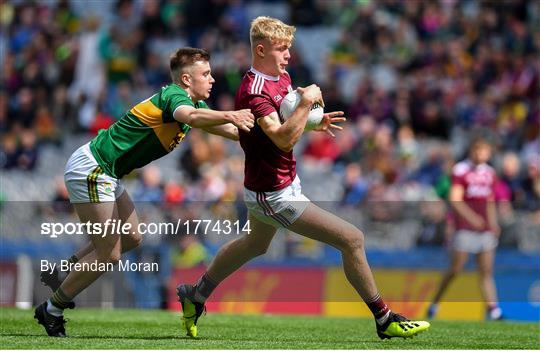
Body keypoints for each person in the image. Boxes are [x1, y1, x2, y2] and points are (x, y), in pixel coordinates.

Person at [176, 16, 430, 340]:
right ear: (261, 49)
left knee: (253, 245)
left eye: (289, 49)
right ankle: (384, 319)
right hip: (274, 193)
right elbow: (282, 138)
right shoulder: (253, 91)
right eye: (282, 49)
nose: (288, 56)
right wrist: (307, 101)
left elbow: (286, 126)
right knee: (352, 239)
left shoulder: (281, 78)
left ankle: (194, 295)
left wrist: (313, 121)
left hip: (276, 184)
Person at [35, 47, 254, 337]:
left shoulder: (192, 106)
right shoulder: (176, 98)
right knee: (109, 254)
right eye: (206, 74)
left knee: (132, 237)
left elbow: (236, 132)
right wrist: (232, 113)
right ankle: (52, 309)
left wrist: (289, 130)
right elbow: (193, 116)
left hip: (109, 173)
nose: (212, 79)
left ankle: (65, 269)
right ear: (186, 80)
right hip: (93, 168)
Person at [427, 137, 503, 320]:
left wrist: (493, 222)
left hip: (484, 229)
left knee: (486, 270)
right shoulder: (461, 170)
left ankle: (493, 309)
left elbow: (490, 200)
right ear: (471, 150)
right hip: (465, 228)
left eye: (484, 150)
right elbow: (455, 199)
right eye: (477, 149)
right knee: (456, 269)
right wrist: (472, 218)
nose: (480, 153)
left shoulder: (489, 173)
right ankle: (435, 303)